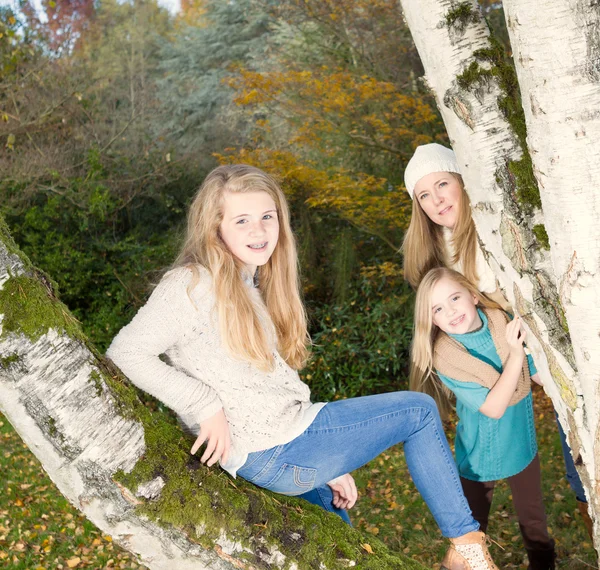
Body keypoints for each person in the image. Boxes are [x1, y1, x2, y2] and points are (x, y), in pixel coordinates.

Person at [107, 164, 500, 570]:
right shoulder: (190, 284)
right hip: (273, 450)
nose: (259, 231)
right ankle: (467, 549)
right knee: (417, 412)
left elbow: (264, 391)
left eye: (267, 217)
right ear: (215, 227)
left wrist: (325, 466)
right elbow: (126, 352)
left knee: (340, 547)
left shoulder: (249, 283)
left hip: (283, 451)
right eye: (242, 221)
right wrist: (204, 405)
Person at [401, 142, 592, 539]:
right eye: (424, 195)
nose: (436, 200)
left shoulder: (492, 225)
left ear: (461, 182)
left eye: (442, 185)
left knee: (571, 401)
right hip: (499, 343)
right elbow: (444, 311)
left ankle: (585, 494)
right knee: (518, 412)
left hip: (535, 331)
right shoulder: (432, 252)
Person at [410, 267, 556, 569]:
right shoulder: (447, 357)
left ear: (473, 295)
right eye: (437, 309)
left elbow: (540, 373)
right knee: (471, 532)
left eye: (454, 298)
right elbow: (493, 407)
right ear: (432, 320)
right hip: (477, 455)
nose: (450, 311)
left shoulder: (504, 322)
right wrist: (516, 355)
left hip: (520, 443)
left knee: (534, 520)